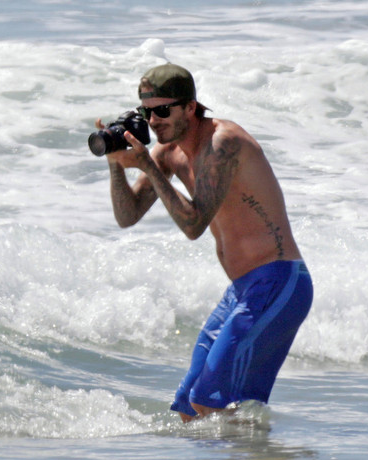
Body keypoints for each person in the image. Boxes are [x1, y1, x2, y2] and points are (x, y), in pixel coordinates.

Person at [99, 63, 313, 422]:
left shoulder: (222, 143)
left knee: (211, 402)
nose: (153, 121)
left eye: (163, 111)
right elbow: (127, 215)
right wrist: (116, 165)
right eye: (146, 112)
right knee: (188, 407)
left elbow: (194, 224)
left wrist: (148, 167)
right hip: (242, 289)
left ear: (190, 107)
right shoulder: (169, 153)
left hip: (278, 282)